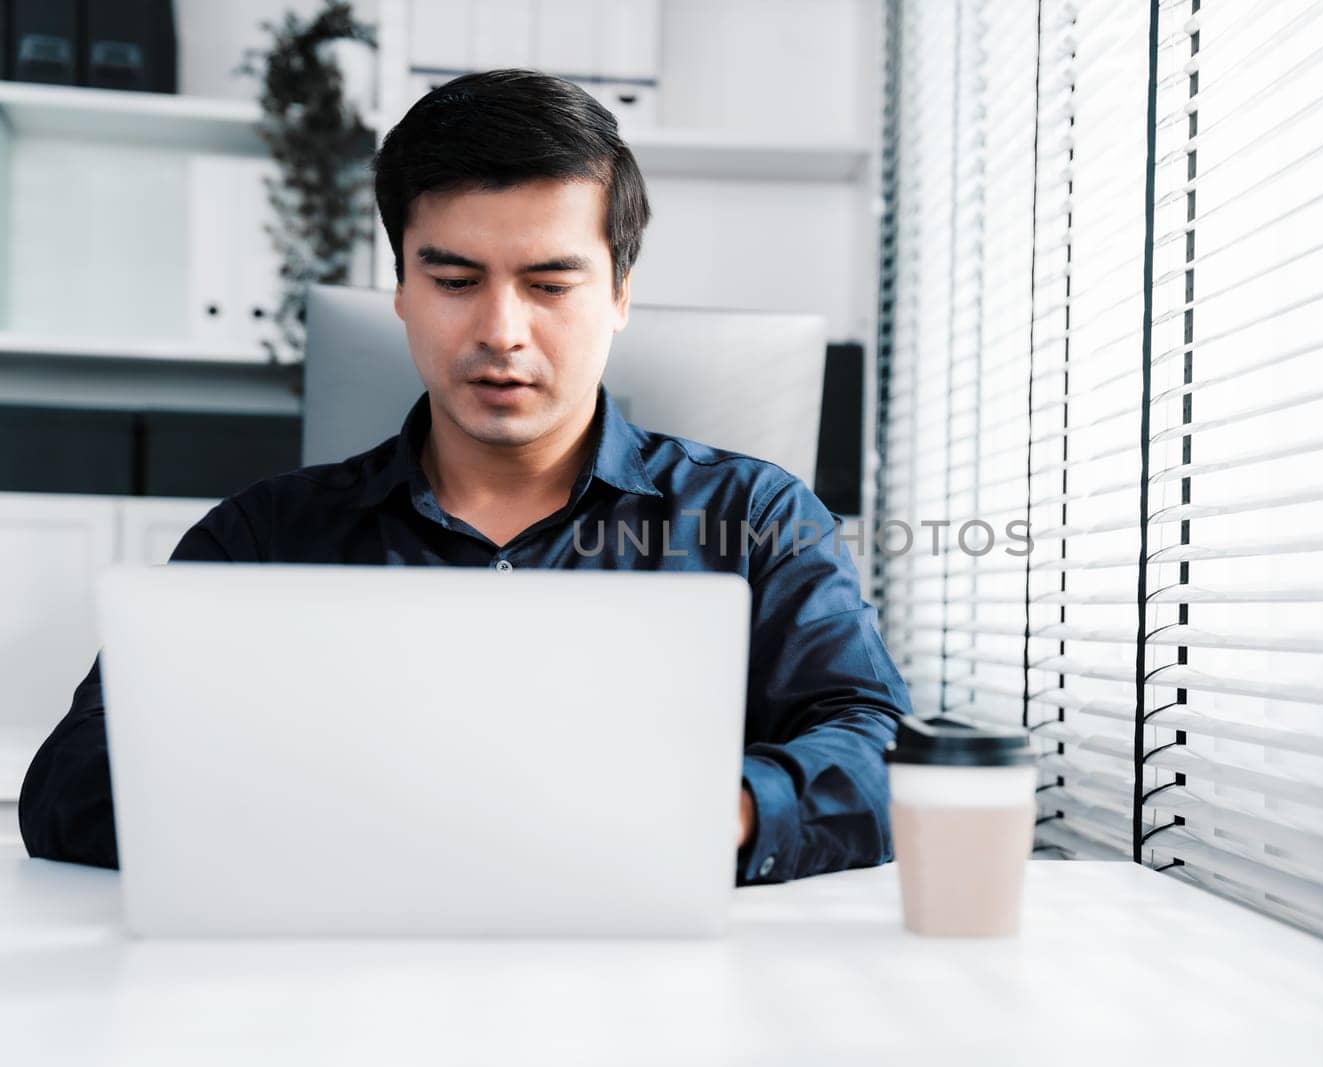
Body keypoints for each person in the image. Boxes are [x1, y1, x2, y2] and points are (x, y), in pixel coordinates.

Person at [19, 69, 910, 887]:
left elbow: (878, 750)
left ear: (621, 293)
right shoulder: (265, 537)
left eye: (550, 284)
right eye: (453, 279)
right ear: (401, 287)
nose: (501, 330)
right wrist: (340, 807)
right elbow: (70, 782)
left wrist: (720, 809)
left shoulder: (753, 517)